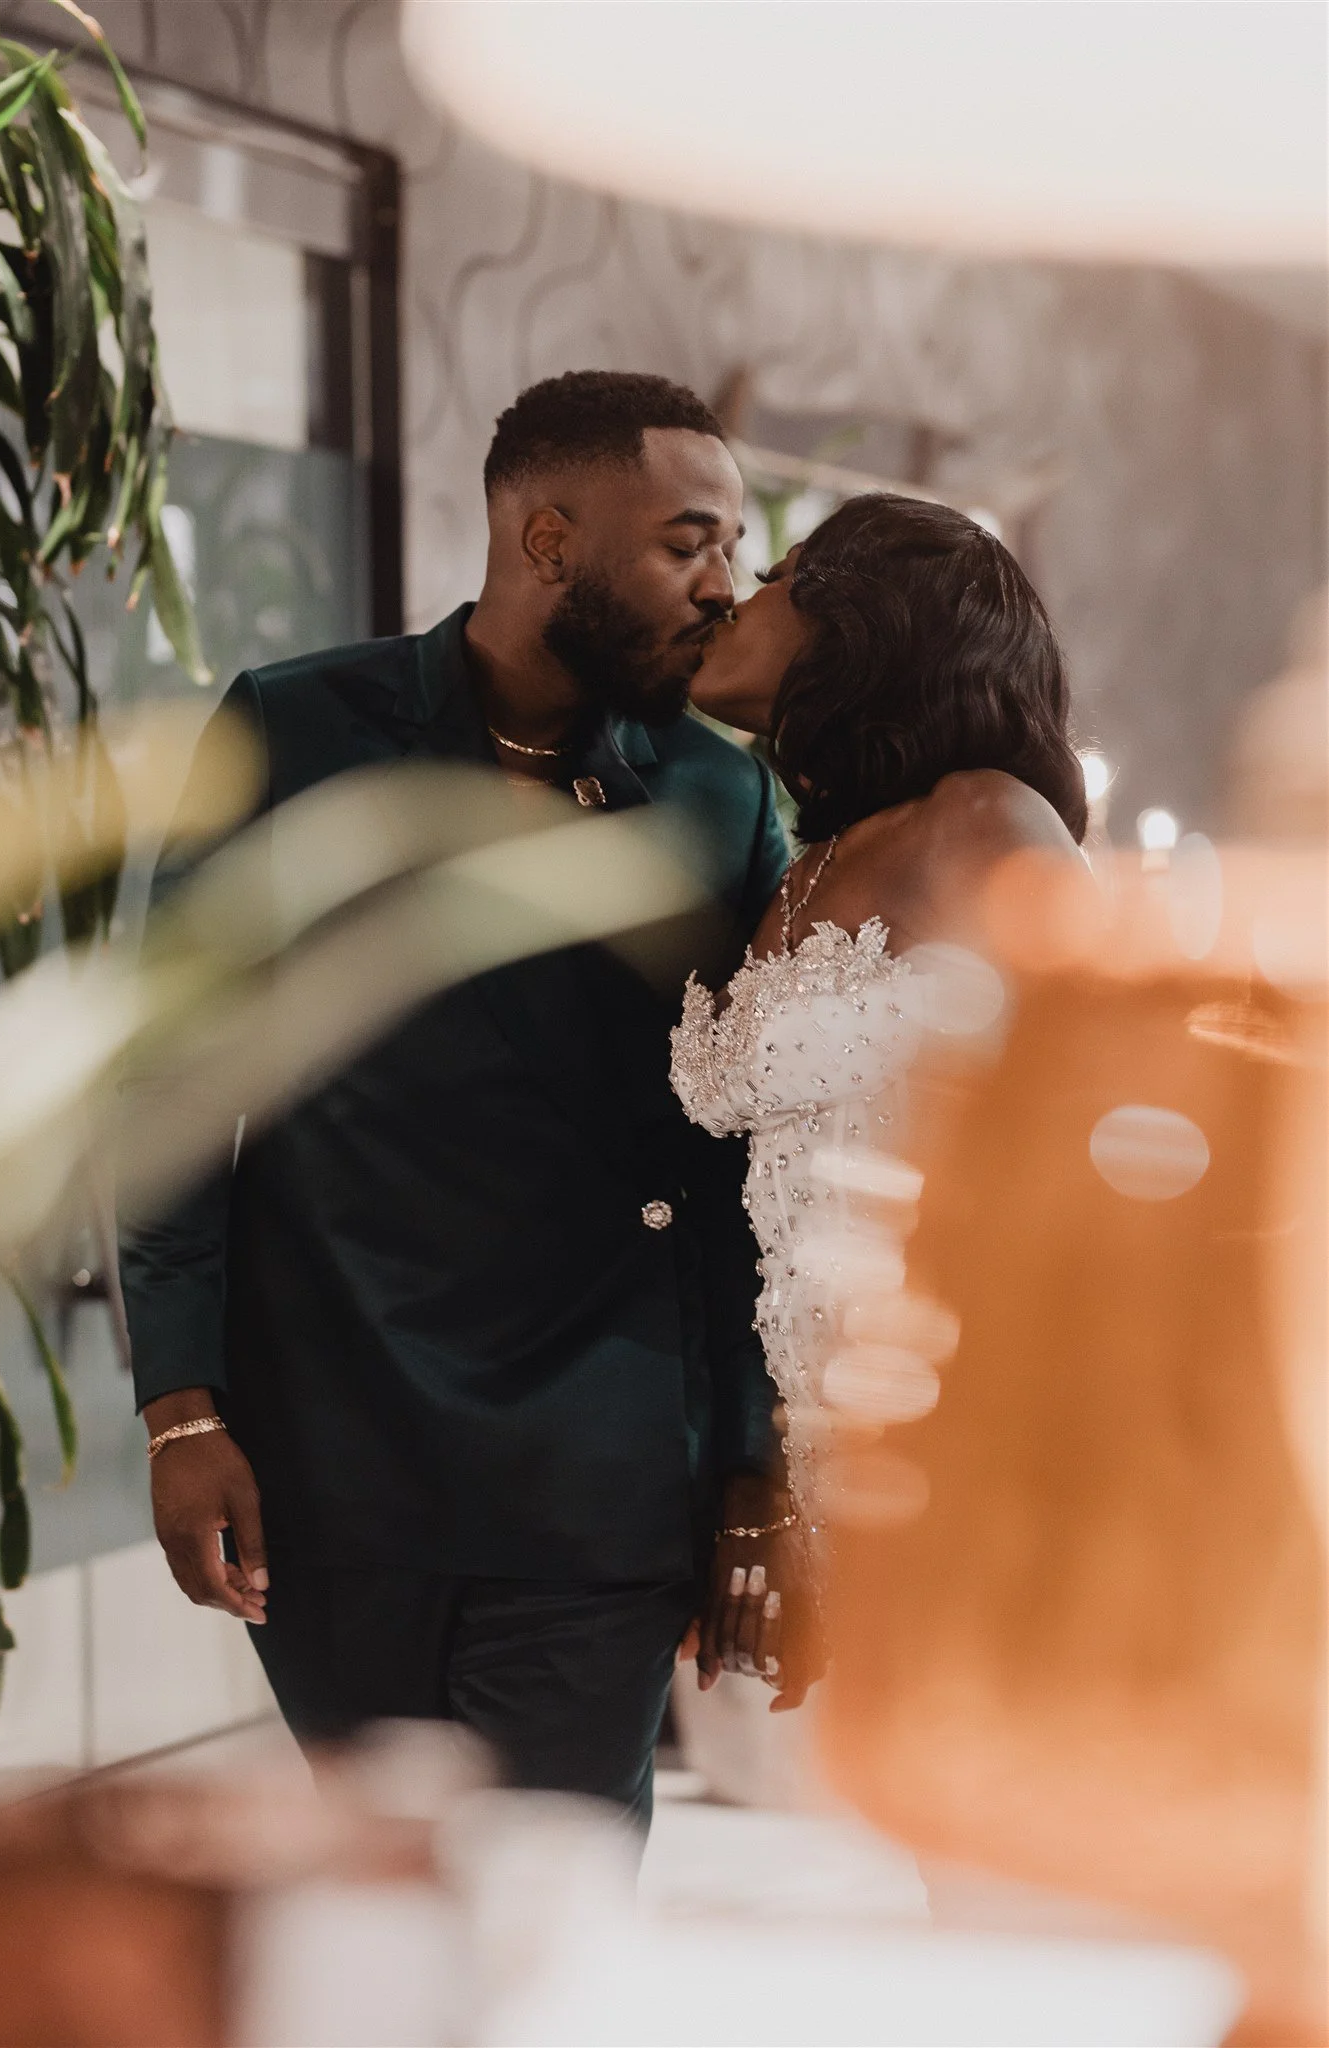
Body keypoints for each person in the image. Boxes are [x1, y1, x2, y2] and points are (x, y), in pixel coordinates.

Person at [120, 371, 795, 1830]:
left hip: (604, 1473)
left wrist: (754, 1461)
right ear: (550, 539)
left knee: (547, 1893)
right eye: (688, 543)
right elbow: (169, 1074)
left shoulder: (716, 796)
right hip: (333, 1461)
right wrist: (180, 1409)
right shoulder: (295, 730)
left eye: (732, 547)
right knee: (385, 1896)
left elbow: (756, 1161)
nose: (722, 586)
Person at [671, 493, 1090, 1708]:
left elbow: (1092, 1119)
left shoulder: (988, 819)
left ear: (863, 618)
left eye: (778, 573)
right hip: (828, 1442)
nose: (735, 594)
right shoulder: (808, 864)